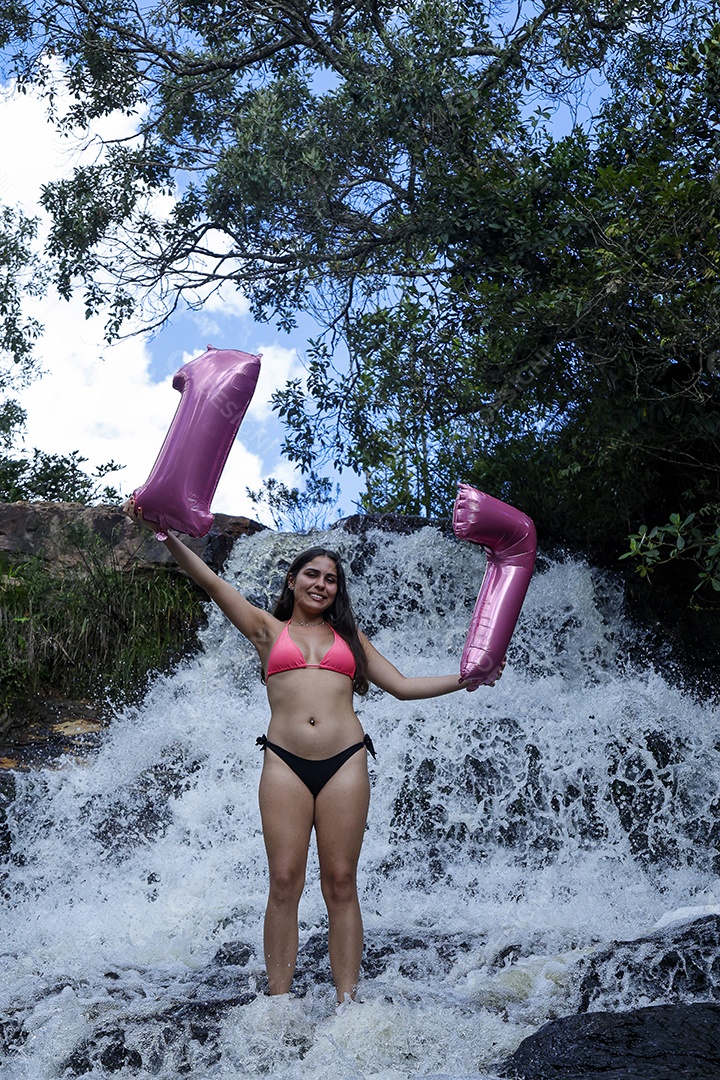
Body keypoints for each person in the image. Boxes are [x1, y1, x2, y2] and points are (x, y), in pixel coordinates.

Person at [123, 498, 501, 1005]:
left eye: (331, 579)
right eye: (313, 575)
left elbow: (404, 686)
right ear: (292, 581)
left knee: (342, 882)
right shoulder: (267, 630)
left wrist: (466, 679)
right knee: (283, 881)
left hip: (345, 760)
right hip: (284, 761)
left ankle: (348, 1004)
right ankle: (279, 1003)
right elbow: (211, 583)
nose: (322, 584)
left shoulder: (351, 639)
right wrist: (165, 535)